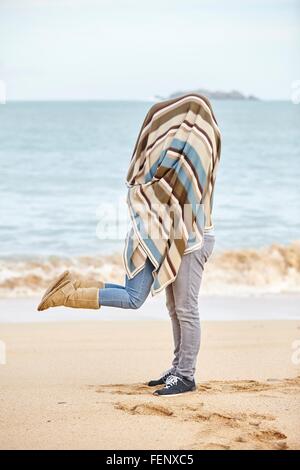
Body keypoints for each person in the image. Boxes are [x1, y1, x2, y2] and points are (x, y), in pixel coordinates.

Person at [37, 93, 221, 396]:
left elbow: (187, 191)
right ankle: (178, 369)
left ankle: (186, 375)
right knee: (173, 307)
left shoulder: (200, 148)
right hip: (163, 233)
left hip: (191, 238)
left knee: (185, 309)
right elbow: (149, 185)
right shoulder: (169, 152)